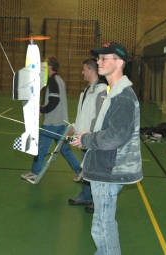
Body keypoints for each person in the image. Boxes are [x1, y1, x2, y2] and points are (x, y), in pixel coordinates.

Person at [69, 42, 143, 255]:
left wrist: (87, 140)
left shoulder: (123, 96)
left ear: (119, 63)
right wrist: (87, 135)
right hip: (104, 167)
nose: (99, 62)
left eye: (104, 58)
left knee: (103, 225)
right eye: (98, 58)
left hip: (110, 170)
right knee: (100, 224)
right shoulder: (113, 91)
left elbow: (115, 137)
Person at [21, 57, 82, 181]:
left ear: (50, 66)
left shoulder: (53, 81)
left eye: (44, 64)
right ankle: (80, 171)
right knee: (65, 149)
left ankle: (35, 172)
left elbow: (54, 101)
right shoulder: (59, 80)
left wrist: (42, 110)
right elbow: (55, 101)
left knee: (41, 147)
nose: (41, 66)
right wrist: (44, 107)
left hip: (52, 122)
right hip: (61, 121)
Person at [67, 58, 107, 212]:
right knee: (87, 171)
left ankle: (97, 201)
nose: (82, 72)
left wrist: (90, 136)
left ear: (91, 70)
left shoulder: (102, 89)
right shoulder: (86, 90)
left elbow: (99, 117)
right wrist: (74, 127)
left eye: (84, 69)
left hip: (92, 140)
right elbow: (83, 114)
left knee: (95, 172)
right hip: (83, 139)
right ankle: (86, 196)